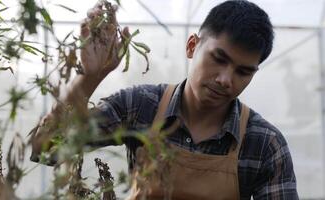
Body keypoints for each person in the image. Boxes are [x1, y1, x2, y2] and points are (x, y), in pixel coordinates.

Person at [30, 0, 299, 199]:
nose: (226, 80)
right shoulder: (141, 106)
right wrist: (88, 77)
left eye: (243, 72)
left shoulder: (264, 143)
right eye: (219, 59)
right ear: (192, 46)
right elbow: (47, 148)